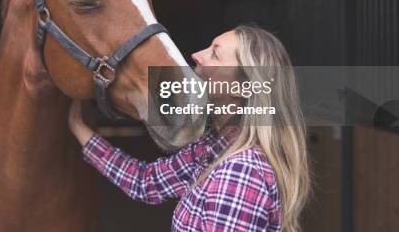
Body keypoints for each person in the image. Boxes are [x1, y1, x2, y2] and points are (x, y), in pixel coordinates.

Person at [69, 24, 311, 232]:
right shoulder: (212, 148)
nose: (196, 55)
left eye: (215, 55)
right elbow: (147, 182)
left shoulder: (239, 173)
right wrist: (78, 127)